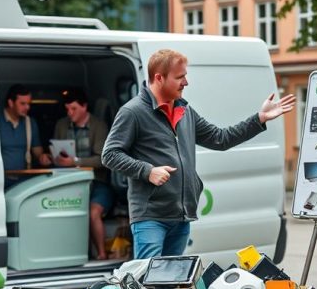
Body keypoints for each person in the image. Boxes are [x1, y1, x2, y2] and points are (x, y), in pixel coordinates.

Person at [102, 49, 295, 259]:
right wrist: (148, 171)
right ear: (159, 78)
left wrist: (259, 118)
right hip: (151, 217)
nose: (186, 82)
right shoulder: (133, 112)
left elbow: (221, 138)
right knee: (147, 280)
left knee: (172, 281)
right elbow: (110, 154)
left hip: (182, 216)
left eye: (185, 75)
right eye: (180, 77)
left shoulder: (185, 111)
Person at [53, 87, 115, 260]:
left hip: (98, 184)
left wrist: (76, 162)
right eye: (67, 109)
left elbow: (103, 160)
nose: (70, 113)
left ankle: (102, 254)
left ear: (84, 107)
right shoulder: (61, 125)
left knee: (93, 212)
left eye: (73, 109)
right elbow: (57, 153)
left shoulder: (98, 126)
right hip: (68, 184)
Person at [0, 84, 52, 187]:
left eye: (29, 103)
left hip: (23, 183)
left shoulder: (30, 123)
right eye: (22, 103)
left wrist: (43, 157)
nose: (27, 107)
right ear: (11, 103)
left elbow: (38, 152)